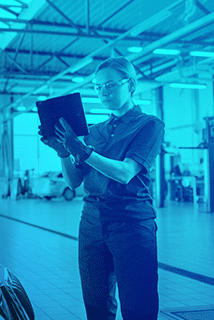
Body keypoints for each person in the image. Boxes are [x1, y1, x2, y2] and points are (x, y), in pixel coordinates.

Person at [39, 56, 165, 320]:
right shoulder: (94, 131)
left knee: (138, 305)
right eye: (97, 87)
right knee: (96, 304)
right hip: (92, 224)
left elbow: (125, 172)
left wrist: (83, 151)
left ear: (129, 85)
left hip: (131, 224)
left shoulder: (149, 125)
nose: (102, 92)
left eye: (109, 85)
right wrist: (64, 151)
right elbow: (74, 182)